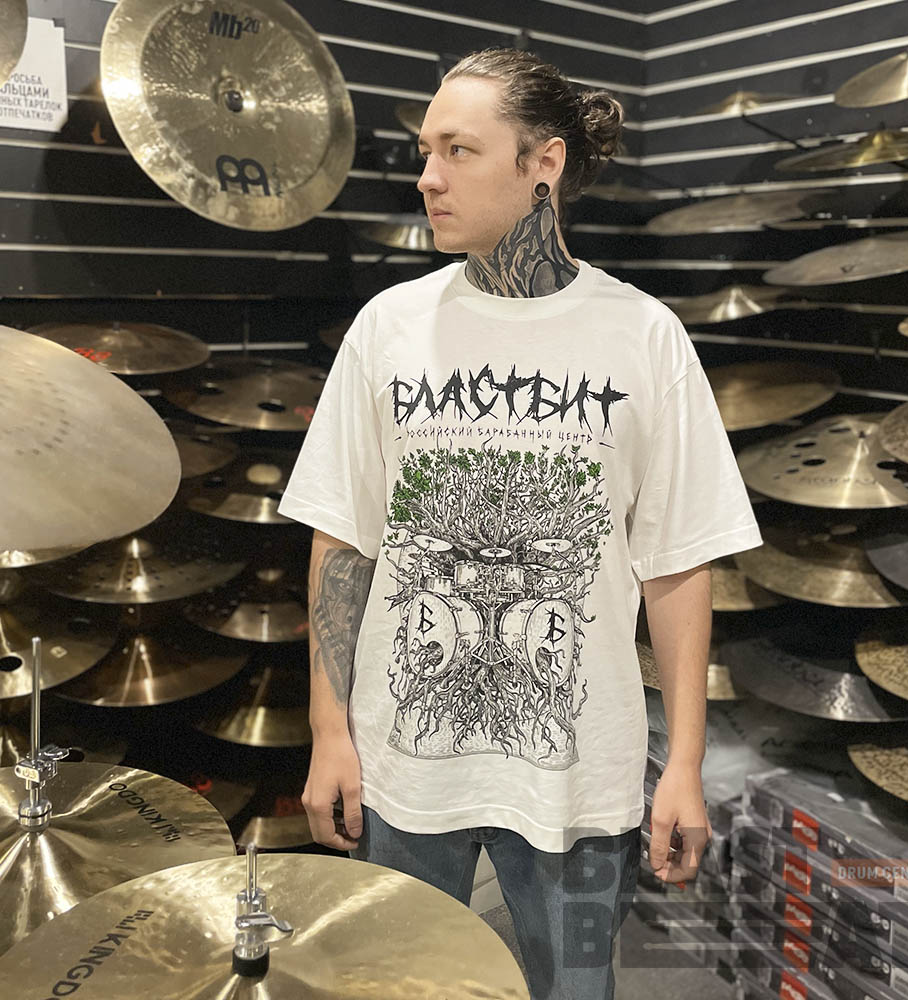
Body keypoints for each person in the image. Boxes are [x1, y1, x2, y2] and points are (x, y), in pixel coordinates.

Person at [279, 47, 762, 1000]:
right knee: (401, 990)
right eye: (426, 151)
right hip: (402, 766)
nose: (428, 177)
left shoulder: (643, 335)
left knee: (574, 991)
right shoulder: (388, 327)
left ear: (543, 163)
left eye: (458, 150)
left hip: (577, 778)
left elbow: (676, 566)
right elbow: (343, 542)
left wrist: (684, 764)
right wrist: (329, 730)